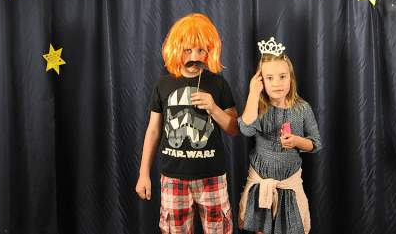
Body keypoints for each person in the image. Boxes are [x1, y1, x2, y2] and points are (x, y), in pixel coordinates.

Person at [135, 13, 239, 234]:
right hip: (173, 178)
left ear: (210, 51)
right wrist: (144, 173)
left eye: (201, 50)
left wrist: (213, 108)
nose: (195, 57)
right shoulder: (163, 85)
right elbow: (153, 131)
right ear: (176, 49)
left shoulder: (218, 84)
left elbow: (234, 128)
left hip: (212, 177)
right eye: (188, 50)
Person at [238, 37, 322, 234]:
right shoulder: (259, 107)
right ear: (261, 81)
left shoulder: (302, 109)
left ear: (290, 78)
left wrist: (297, 141)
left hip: (289, 184)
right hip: (260, 183)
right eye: (269, 78)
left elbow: (316, 143)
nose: (277, 83)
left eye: (282, 76)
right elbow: (246, 129)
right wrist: (253, 94)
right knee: (261, 230)